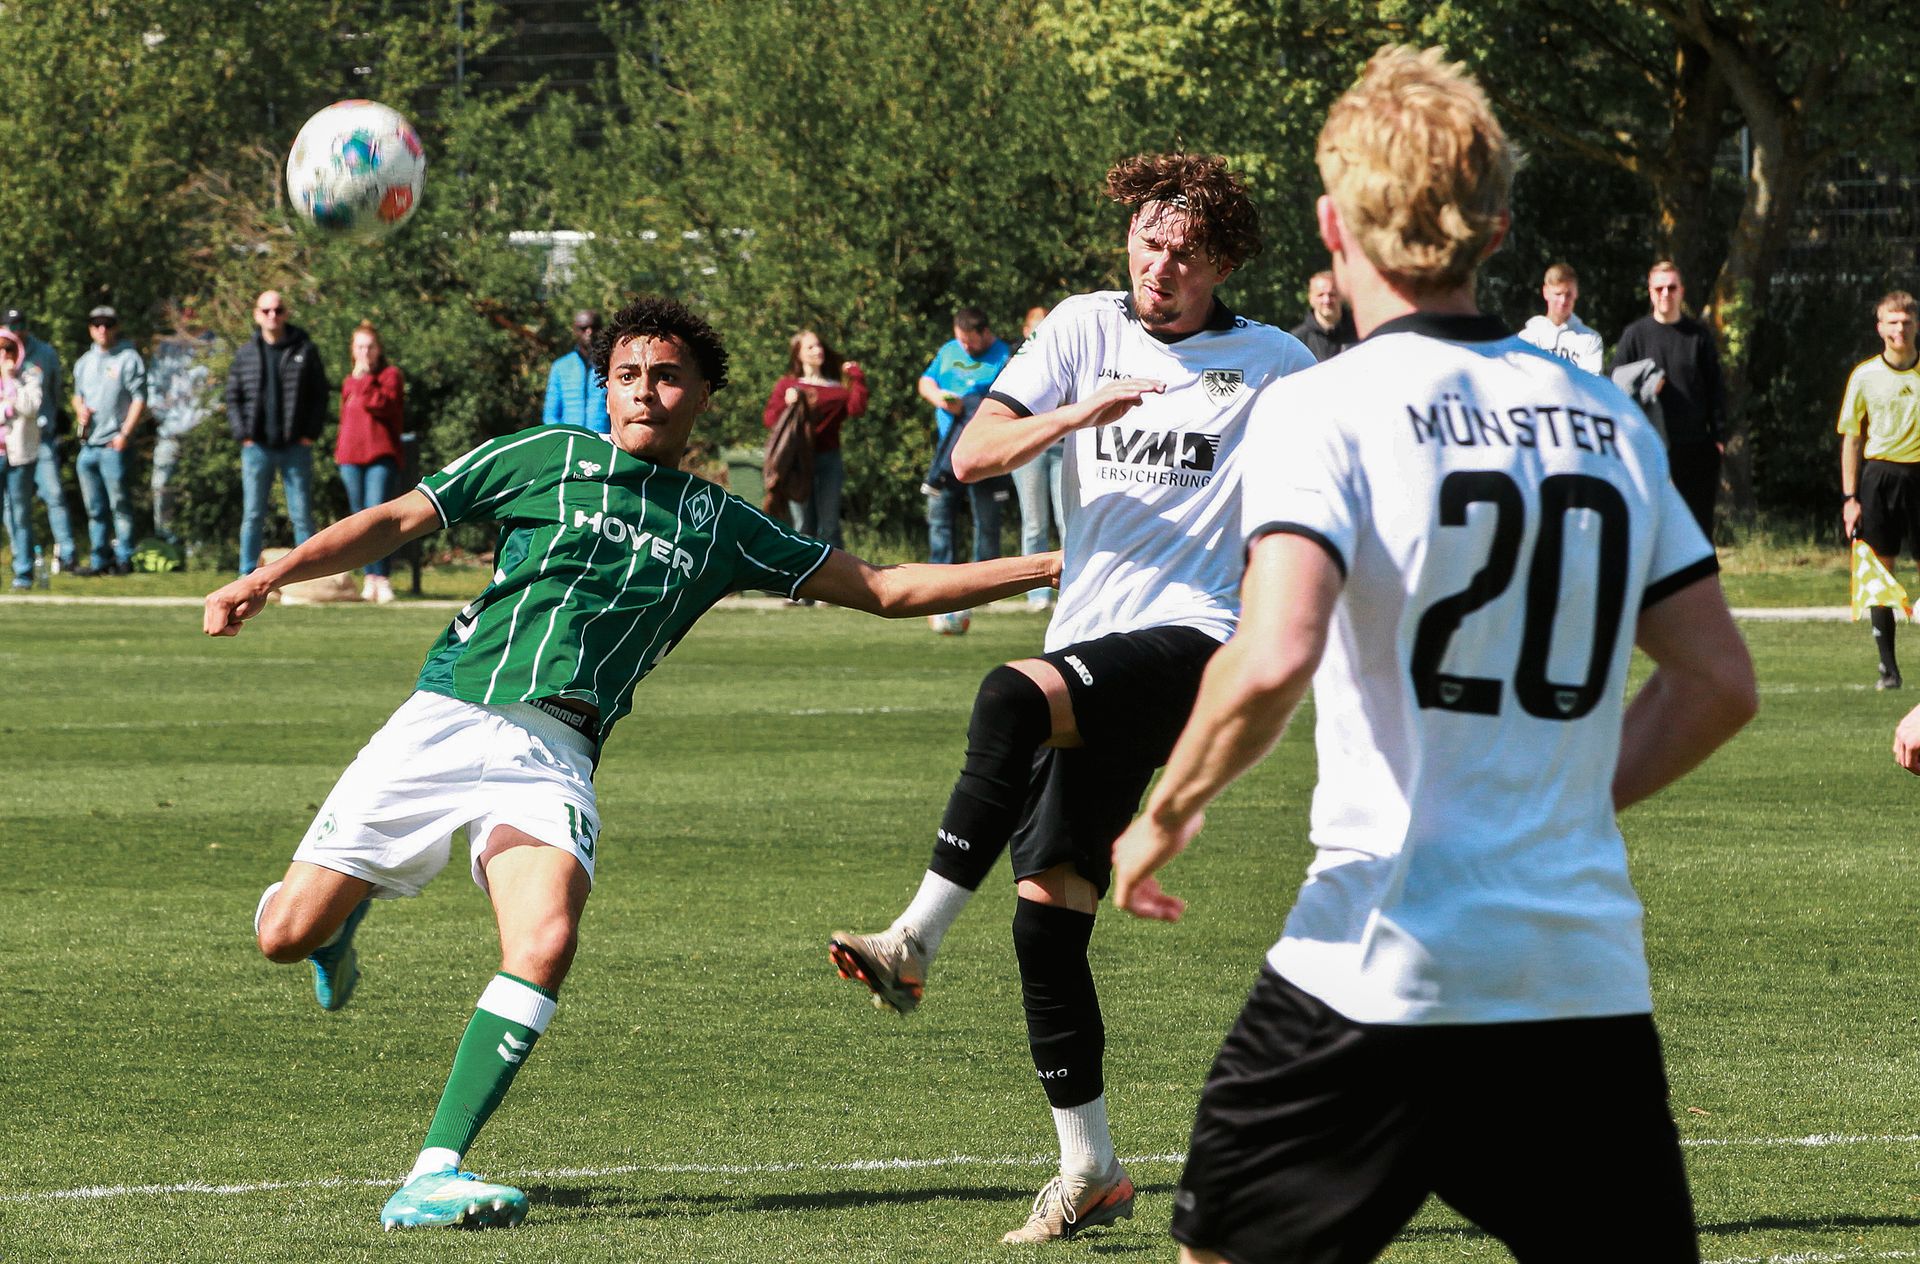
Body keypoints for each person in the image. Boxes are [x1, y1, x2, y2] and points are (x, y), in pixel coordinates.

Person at [209, 296, 1058, 1233]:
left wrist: (1054, 563)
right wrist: (265, 577)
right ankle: (332, 928)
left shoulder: (720, 522)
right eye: (625, 375)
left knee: (545, 942)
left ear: (700, 396)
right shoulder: (541, 456)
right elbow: (395, 520)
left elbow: (890, 588)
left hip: (558, 751)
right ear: (604, 390)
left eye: (664, 376)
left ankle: (434, 1171)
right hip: (445, 718)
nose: (643, 391)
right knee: (283, 936)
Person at [1106, 46, 1758, 1264]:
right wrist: (1552, 795)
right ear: (1497, 227)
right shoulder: (1610, 420)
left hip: (1376, 960)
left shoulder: (1324, 404)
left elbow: (1269, 653)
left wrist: (1165, 809)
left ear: (1331, 222)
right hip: (1576, 973)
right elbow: (1719, 681)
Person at [829, 152, 1315, 1245]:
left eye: (1186, 250)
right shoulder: (1083, 331)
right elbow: (970, 455)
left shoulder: (1276, 361)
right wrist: (1076, 413)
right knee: (1048, 924)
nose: (1161, 263)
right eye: (1148, 240)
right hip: (1090, 646)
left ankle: (911, 940)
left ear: (1223, 261)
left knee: (1006, 696)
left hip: (1198, 641)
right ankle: (1090, 1167)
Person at [1838, 290, 1920, 690]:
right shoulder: (1864, 376)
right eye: (1892, 321)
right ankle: (1888, 668)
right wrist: (1849, 498)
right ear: (1879, 327)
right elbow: (1851, 439)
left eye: (1905, 321)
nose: (1899, 328)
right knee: (1880, 574)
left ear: (1916, 325)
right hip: (1879, 478)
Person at [1615, 260, 1725, 537]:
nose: (1666, 294)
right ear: (1650, 292)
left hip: (1695, 446)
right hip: (1649, 447)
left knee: (1698, 531)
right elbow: (1615, 385)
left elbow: (1716, 388)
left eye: (1671, 287)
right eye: (1659, 288)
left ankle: (1701, 581)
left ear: (1681, 291)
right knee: (1651, 530)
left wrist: (1719, 437)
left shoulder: (1698, 336)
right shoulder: (1634, 336)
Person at [226, 290, 329, 576]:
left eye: (278, 310)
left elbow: (320, 395)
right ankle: (246, 573)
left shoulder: (304, 349)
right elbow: (232, 397)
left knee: (301, 515)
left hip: (295, 445)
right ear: (257, 314)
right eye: (267, 310)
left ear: (286, 313)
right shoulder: (246, 353)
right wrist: (242, 434)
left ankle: (309, 576)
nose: (273, 316)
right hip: (257, 446)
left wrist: (310, 433)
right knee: (253, 515)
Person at [919, 307, 1011, 565]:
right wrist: (939, 398)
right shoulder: (949, 350)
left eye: (969, 341)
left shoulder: (1004, 356)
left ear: (985, 332)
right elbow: (926, 381)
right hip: (947, 449)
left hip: (986, 450)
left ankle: (982, 583)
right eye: (961, 340)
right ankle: (940, 578)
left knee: (987, 520)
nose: (965, 346)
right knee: (939, 516)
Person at [761, 329, 866, 548]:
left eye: (819, 345)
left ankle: (839, 580)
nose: (818, 350)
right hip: (798, 462)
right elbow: (770, 419)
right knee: (803, 526)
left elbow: (856, 408)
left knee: (830, 527)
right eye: (810, 347)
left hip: (829, 460)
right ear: (798, 354)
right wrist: (787, 404)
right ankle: (806, 579)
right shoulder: (788, 386)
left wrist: (857, 377)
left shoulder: (837, 389)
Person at [70, 305, 147, 576]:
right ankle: (99, 560)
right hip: (88, 445)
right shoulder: (84, 361)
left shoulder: (128, 358)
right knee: (95, 509)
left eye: (108, 323)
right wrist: (79, 407)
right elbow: (77, 394)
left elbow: (139, 398)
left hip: (113, 445)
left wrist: (125, 434)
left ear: (116, 326)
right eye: (97, 323)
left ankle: (124, 558)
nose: (102, 329)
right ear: (90, 327)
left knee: (120, 504)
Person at [0, 308, 75, 575]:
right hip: (6, 446)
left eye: (21, 323)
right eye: (11, 325)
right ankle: (20, 559)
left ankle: (66, 556)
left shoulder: (42, 355)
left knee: (50, 495)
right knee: (11, 508)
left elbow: (49, 394)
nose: (17, 329)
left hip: (37, 439)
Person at [337, 320, 408, 603]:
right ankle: (370, 576)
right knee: (358, 520)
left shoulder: (390, 376)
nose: (365, 352)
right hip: (350, 458)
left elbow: (383, 406)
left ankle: (383, 577)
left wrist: (365, 379)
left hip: (381, 455)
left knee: (377, 516)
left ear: (378, 350)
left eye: (369, 347)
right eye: (359, 347)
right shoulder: (347, 381)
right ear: (352, 351)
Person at [147, 305, 221, 548]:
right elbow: (153, 390)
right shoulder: (166, 349)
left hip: (202, 433)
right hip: (170, 431)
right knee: (162, 485)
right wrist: (166, 417)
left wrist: (201, 423)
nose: (190, 316)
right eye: (185, 311)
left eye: (194, 309)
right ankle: (166, 540)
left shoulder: (217, 348)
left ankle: (199, 542)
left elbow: (219, 394)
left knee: (199, 490)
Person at [1010, 304, 1065, 610]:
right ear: (1025, 330)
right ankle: (1037, 596)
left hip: (1063, 446)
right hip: (1030, 449)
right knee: (1034, 524)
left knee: (1066, 521)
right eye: (1036, 326)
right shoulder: (1017, 362)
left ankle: (1072, 592)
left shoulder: (1068, 355)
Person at [0, 329, 43, 589]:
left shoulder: (30, 374)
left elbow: (30, 407)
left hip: (19, 457)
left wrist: (10, 380)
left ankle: (24, 573)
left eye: (9, 349)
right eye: (0, 349)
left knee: (20, 514)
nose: (4, 354)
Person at [1518, 261, 1604, 372]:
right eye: (1558, 294)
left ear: (1576, 293)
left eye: (1568, 295)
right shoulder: (1529, 337)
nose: (1563, 301)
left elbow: (1591, 384)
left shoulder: (1590, 340)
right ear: (1546, 292)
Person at [541, 309, 609, 434]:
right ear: (575, 330)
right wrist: (562, 438)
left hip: (604, 442)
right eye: (584, 328)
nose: (589, 332)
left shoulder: (610, 365)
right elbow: (550, 414)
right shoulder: (560, 367)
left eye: (594, 327)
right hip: (569, 443)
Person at [1288, 270, 1358, 362]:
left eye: (1332, 294)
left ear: (1341, 296)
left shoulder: (1360, 333)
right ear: (1311, 298)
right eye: (1320, 295)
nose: (1327, 300)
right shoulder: (1297, 340)